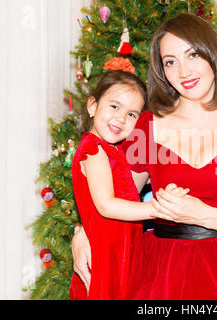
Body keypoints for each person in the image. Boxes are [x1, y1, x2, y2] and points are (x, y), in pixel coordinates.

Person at [72, 13, 217, 300]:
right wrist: (81, 232)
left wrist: (205, 215)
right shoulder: (146, 127)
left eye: (193, 54)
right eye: (170, 62)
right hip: (159, 276)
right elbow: (112, 198)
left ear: (213, 54)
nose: (184, 71)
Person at [69, 57, 189, 300]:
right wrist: (158, 209)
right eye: (114, 107)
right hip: (106, 256)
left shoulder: (112, 150)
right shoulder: (94, 150)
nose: (121, 118)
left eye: (132, 114)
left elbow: (125, 187)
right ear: (92, 106)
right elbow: (107, 205)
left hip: (121, 251)